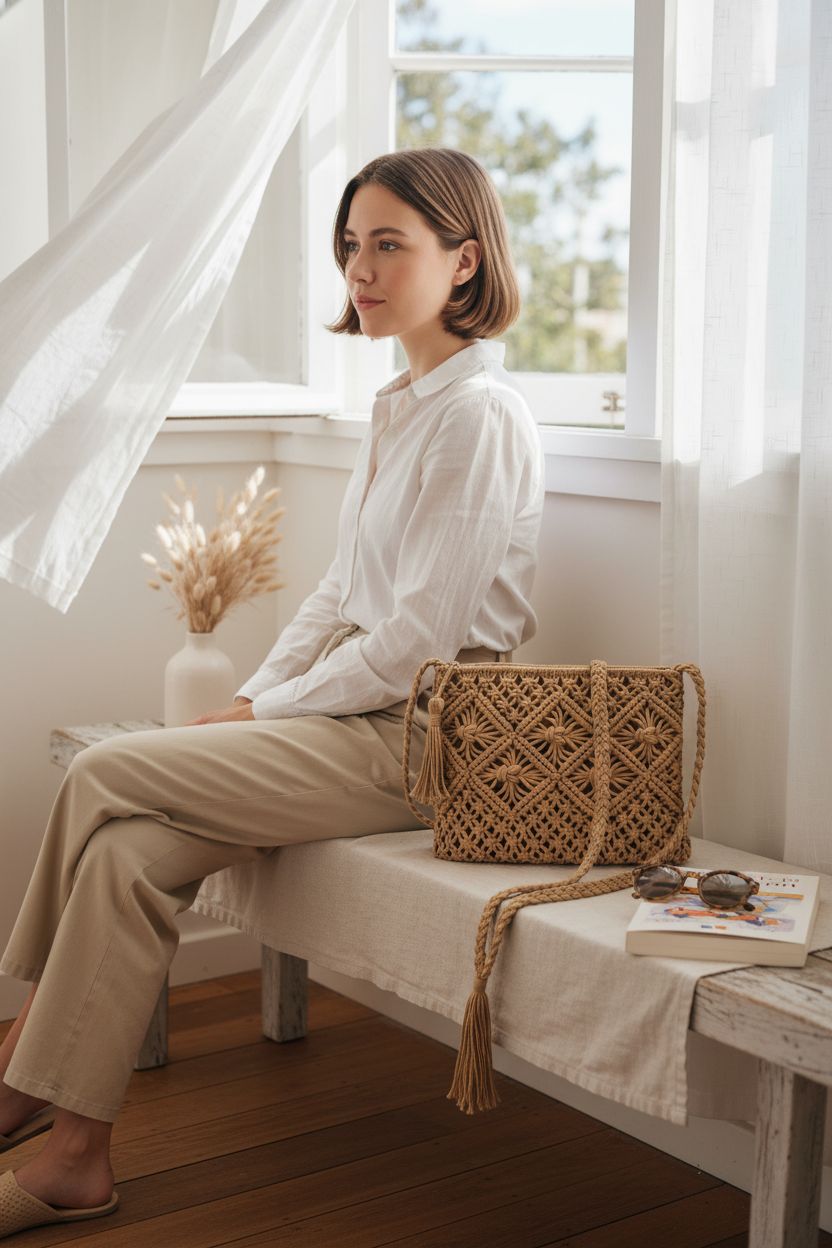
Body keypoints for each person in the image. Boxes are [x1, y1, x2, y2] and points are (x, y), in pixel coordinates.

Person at [0, 147, 545, 1233]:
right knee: (123, 857)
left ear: (465, 258)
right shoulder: (403, 407)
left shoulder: (480, 418)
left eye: (391, 243)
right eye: (351, 246)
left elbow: (415, 647)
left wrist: (267, 711)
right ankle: (74, 1159)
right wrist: (256, 692)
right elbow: (339, 592)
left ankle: (18, 1056)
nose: (362, 268)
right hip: (359, 719)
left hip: (428, 737)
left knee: (108, 767)